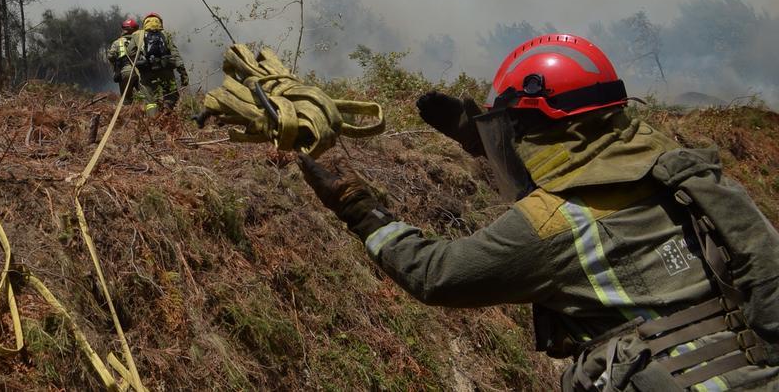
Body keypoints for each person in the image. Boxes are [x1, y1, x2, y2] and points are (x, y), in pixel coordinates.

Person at [298, 34, 779, 390]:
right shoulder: (680, 174)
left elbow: (435, 274)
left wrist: (357, 208)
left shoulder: (555, 225)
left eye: (514, 131)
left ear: (534, 130)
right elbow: (586, 161)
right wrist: (481, 138)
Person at [124, 12, 188, 114]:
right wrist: (183, 73)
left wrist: (140, 62)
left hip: (146, 72)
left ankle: (153, 121)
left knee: (150, 101)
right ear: (160, 23)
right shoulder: (166, 34)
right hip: (165, 69)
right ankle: (167, 109)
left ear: (145, 23)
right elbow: (176, 55)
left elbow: (130, 52)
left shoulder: (137, 35)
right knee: (171, 94)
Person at [107, 16, 140, 100]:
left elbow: (111, 57)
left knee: (127, 99)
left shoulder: (117, 42)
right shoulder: (140, 40)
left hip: (125, 72)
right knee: (146, 98)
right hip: (140, 71)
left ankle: (130, 112)